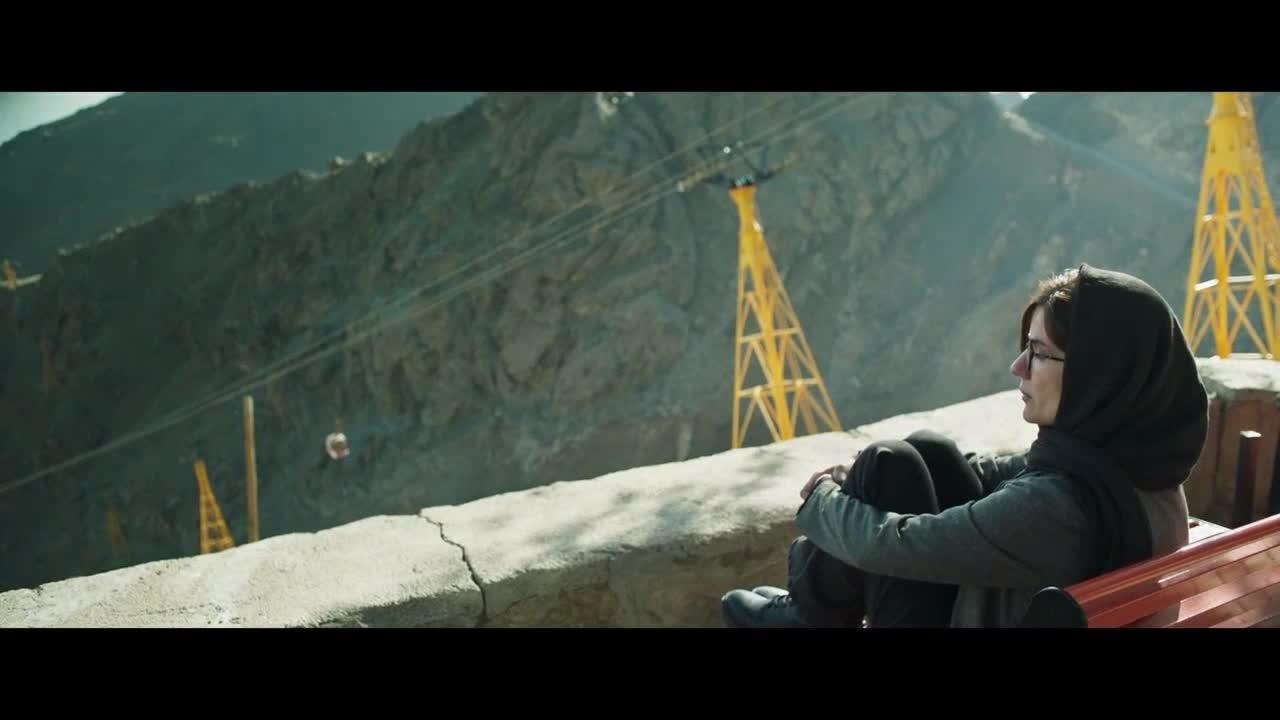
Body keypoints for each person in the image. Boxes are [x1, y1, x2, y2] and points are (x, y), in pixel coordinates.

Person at [720, 263, 1209, 628]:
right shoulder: (1132, 467)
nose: (1018, 367)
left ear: (1095, 376)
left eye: (1039, 353)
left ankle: (810, 614)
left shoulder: (1057, 509)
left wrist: (823, 500)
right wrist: (882, 474)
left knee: (885, 468)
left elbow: (894, 544)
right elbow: (1006, 471)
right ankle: (811, 612)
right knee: (915, 454)